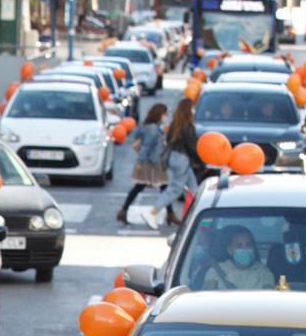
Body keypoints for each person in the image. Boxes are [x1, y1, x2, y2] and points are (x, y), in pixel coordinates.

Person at [147, 96, 197, 230]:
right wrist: (201, 162)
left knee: (194, 189)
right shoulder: (188, 126)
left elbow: (169, 140)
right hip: (182, 159)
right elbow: (191, 146)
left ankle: (194, 216)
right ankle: (152, 212)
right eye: (193, 108)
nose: (194, 111)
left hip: (173, 157)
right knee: (175, 188)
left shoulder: (176, 124)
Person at [118, 102, 170, 224]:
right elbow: (147, 146)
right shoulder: (152, 128)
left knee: (163, 187)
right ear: (159, 114)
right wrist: (141, 162)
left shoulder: (151, 127)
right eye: (165, 114)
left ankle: (170, 214)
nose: (166, 116)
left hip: (153, 161)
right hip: (150, 163)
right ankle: (123, 210)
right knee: (145, 187)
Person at [201, 227, 276, 290]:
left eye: (248, 245)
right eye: (239, 246)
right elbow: (206, 301)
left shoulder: (264, 272)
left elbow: (268, 301)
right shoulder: (215, 271)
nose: (244, 249)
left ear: (253, 248)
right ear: (230, 250)